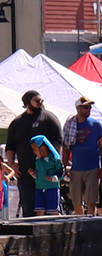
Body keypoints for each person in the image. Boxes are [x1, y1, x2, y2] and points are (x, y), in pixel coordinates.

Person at [7, 90, 61, 218]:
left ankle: (52, 236)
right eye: (37, 101)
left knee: (50, 207)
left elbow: (58, 143)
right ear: (27, 103)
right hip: (26, 171)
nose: (40, 103)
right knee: (29, 207)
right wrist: (12, 165)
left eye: (41, 100)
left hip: (46, 170)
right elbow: (10, 146)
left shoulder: (49, 118)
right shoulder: (17, 122)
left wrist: (54, 165)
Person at [62, 96, 102, 216]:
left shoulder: (95, 124)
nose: (88, 110)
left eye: (90, 107)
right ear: (78, 108)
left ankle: (91, 222)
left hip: (92, 167)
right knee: (76, 201)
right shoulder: (70, 125)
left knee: (91, 201)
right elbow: (66, 148)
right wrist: (63, 166)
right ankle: (80, 222)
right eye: (86, 107)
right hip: (76, 168)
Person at [30, 135, 64, 215]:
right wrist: (33, 174)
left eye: (35, 149)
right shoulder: (38, 161)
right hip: (39, 188)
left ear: (42, 148)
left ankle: (58, 227)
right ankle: (39, 227)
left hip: (52, 189)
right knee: (39, 211)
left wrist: (53, 178)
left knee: (53, 211)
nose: (34, 152)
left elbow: (61, 173)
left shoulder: (55, 160)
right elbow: (38, 175)